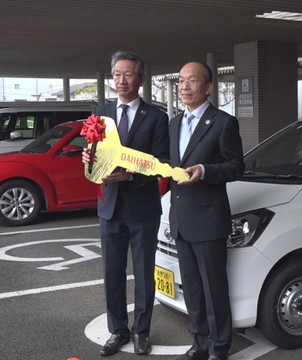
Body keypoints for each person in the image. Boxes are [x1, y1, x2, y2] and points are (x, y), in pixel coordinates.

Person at [86, 50, 170, 356]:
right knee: (112, 272)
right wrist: (89, 159)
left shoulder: (157, 117)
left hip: (143, 207)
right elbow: (94, 152)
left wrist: (131, 174)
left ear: (141, 79)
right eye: (117, 74)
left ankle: (141, 332)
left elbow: (162, 161)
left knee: (145, 273)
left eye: (128, 74)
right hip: (109, 207)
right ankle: (118, 330)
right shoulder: (100, 113)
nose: (121, 81)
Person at [170, 62, 244, 360]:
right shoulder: (173, 123)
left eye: (192, 81)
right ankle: (199, 343)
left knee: (214, 289)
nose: (185, 87)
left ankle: (219, 347)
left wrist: (205, 170)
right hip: (181, 220)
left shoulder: (224, 122)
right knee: (192, 288)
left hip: (209, 220)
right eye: (180, 81)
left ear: (208, 87)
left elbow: (237, 167)